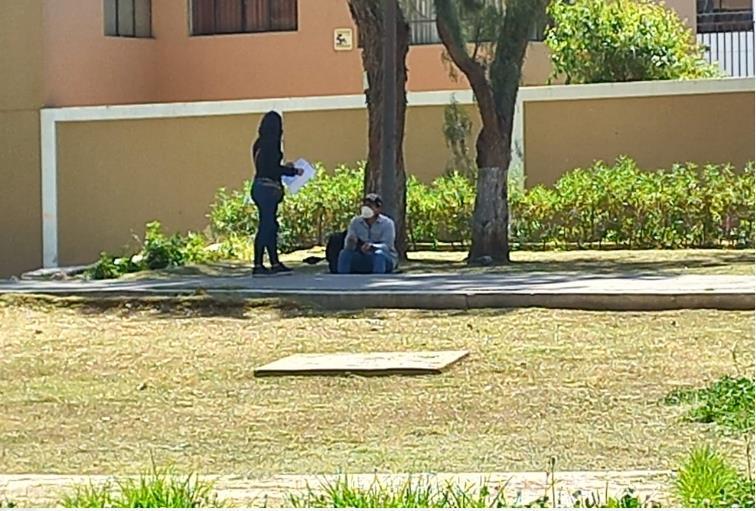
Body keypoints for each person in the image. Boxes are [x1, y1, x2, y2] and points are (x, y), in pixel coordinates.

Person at [250, 111, 303, 276]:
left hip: (259, 186)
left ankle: (273, 262)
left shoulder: (258, 144)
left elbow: (266, 166)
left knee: (270, 226)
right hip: (268, 188)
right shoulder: (271, 144)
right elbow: (273, 169)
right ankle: (259, 264)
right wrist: (292, 171)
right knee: (266, 226)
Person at [338, 193, 398, 274]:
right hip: (361, 255)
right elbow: (347, 245)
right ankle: (342, 279)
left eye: (370, 206)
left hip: (383, 257)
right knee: (344, 254)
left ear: (378, 208)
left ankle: (377, 280)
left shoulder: (387, 223)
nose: (366, 208)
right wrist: (351, 242)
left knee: (379, 255)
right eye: (364, 205)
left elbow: (387, 246)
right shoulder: (355, 222)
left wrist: (372, 246)